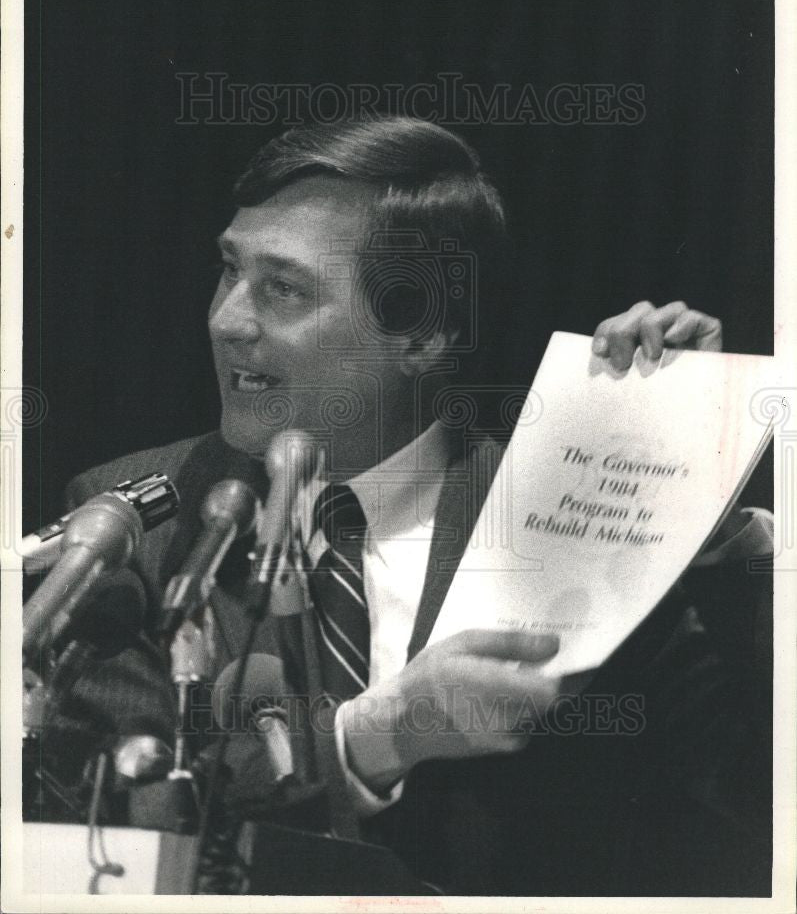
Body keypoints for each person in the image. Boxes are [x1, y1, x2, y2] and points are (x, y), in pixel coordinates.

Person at [40, 117, 773, 895]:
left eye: (283, 288)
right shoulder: (133, 519)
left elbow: (752, 792)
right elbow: (102, 815)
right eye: (230, 270)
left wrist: (698, 501)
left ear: (422, 336)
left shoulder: (572, 517)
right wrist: (379, 736)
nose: (227, 320)